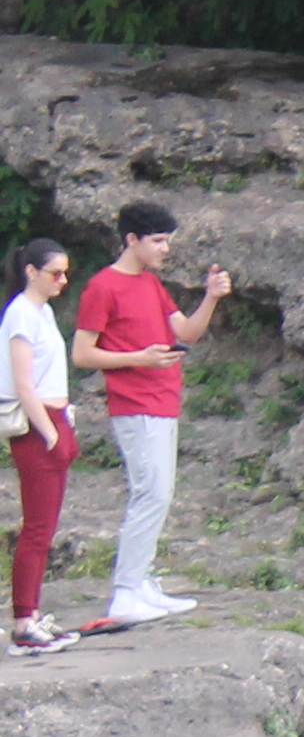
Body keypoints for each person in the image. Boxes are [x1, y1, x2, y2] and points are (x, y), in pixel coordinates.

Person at [71, 200, 228, 629]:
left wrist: (210, 297)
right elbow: (82, 354)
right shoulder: (103, 287)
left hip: (163, 400)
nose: (165, 249)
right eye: (158, 241)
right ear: (132, 239)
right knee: (151, 494)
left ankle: (141, 584)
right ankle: (125, 593)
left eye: (167, 241)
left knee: (159, 494)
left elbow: (187, 333)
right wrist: (138, 357)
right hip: (135, 404)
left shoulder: (152, 284)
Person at [6, 237, 74, 655]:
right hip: (38, 426)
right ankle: (23, 622)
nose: (62, 281)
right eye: (55, 273)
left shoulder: (42, 311)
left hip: (55, 419)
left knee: (45, 527)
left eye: (65, 273)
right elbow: (22, 382)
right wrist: (48, 432)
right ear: (31, 272)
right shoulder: (20, 315)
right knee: (37, 528)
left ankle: (32, 615)